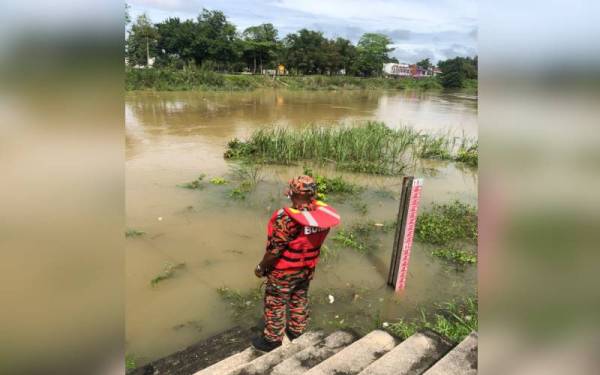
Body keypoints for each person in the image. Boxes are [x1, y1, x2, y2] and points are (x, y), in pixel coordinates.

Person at [251, 175, 341, 352]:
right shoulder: (321, 218)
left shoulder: (287, 219)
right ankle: (296, 331)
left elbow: (275, 251)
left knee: (275, 302)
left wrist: (261, 267)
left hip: (284, 272)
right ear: (312, 193)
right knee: (299, 298)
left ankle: (272, 340)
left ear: (292, 194)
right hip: (306, 269)